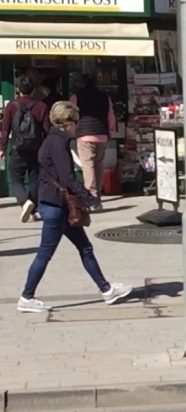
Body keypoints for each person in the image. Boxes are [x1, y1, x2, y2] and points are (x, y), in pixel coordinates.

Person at [17, 101, 130, 313]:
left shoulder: (51, 140)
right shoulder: (58, 144)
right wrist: (90, 198)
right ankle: (26, 296)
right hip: (56, 207)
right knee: (44, 254)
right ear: (66, 122)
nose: (77, 125)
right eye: (76, 121)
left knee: (85, 248)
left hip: (56, 205)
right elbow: (68, 178)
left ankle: (106, 290)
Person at [0, 75, 51, 218]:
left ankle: (24, 201)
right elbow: (46, 130)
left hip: (18, 149)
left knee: (16, 179)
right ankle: (32, 207)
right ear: (33, 90)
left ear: (17, 89)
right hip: (36, 148)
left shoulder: (11, 106)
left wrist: (2, 148)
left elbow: (5, 129)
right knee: (35, 180)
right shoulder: (42, 106)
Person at [69, 74, 116, 206]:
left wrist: (72, 130)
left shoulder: (76, 97)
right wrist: (110, 132)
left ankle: (92, 195)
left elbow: (71, 114)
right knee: (99, 164)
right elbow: (110, 116)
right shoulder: (104, 97)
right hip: (102, 134)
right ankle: (98, 193)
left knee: (88, 165)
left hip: (85, 134)